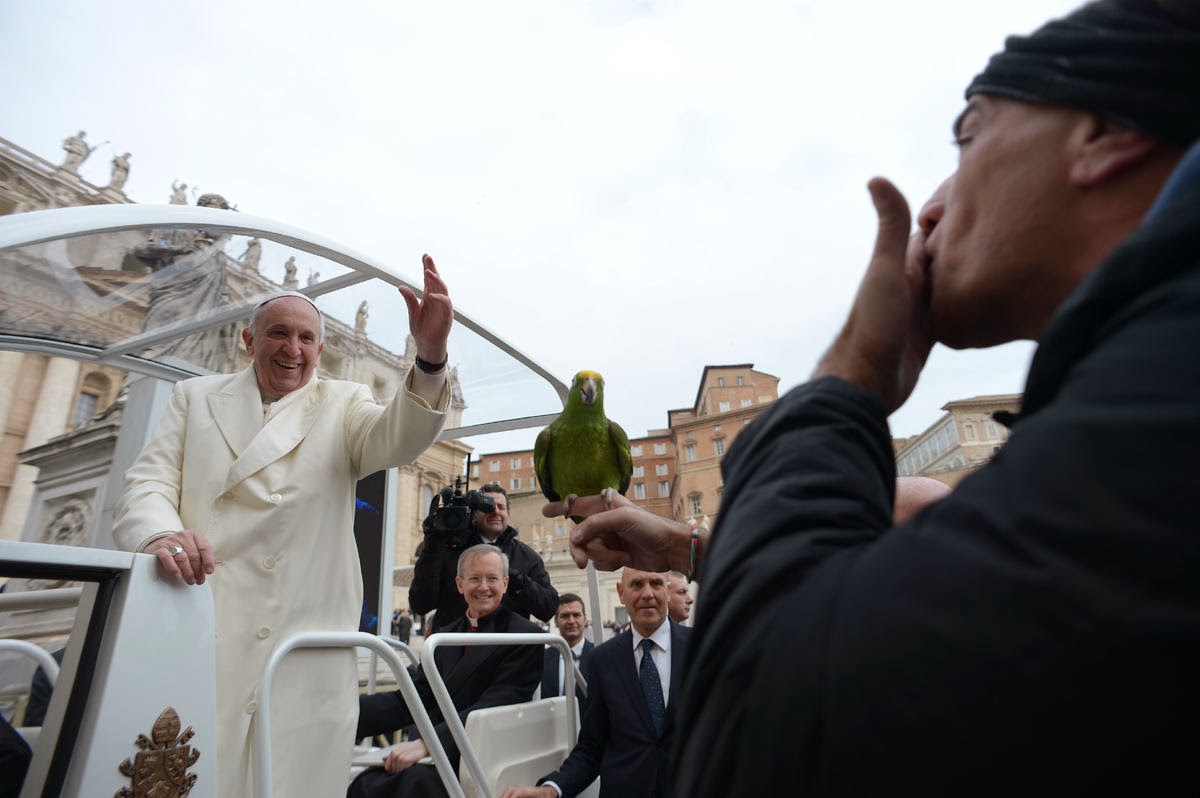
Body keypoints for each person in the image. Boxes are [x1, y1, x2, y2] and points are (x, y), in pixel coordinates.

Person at [556, 2, 1200, 795]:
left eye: (968, 133)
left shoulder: (1160, 402)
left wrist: (845, 380)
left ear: (1105, 130)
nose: (931, 205)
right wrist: (697, 552)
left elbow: (772, 733)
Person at [112, 255, 454, 797]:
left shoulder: (345, 403)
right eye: (278, 334)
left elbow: (401, 438)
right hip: (204, 626)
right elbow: (148, 482)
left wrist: (430, 356)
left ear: (321, 350)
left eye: (305, 339)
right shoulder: (195, 398)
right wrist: (159, 533)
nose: (292, 349)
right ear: (249, 340)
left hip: (300, 648)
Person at [350, 546, 543, 798]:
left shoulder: (525, 637)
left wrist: (428, 745)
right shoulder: (445, 637)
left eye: (492, 578)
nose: (483, 587)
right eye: (474, 578)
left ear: (505, 584)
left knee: (413, 784)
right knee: (365, 783)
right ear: (460, 585)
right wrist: (349, 716)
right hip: (440, 747)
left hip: (483, 753)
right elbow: (413, 698)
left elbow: (493, 706)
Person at [501, 569, 690, 798]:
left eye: (656, 583)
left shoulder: (702, 646)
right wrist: (550, 790)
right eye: (637, 584)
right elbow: (592, 747)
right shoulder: (603, 659)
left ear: (667, 591)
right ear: (621, 593)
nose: (647, 593)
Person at [410, 483, 557, 634]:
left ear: (509, 514)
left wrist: (519, 582)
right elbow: (420, 604)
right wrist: (431, 548)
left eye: (501, 507)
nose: (495, 511)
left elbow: (548, 609)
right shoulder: (447, 550)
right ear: (473, 514)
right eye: (488, 507)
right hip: (454, 651)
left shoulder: (527, 557)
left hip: (509, 652)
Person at [540, 593, 593, 708]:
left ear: (585, 619)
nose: (571, 621)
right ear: (556, 622)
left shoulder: (599, 656)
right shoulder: (542, 659)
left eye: (576, 615)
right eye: (565, 616)